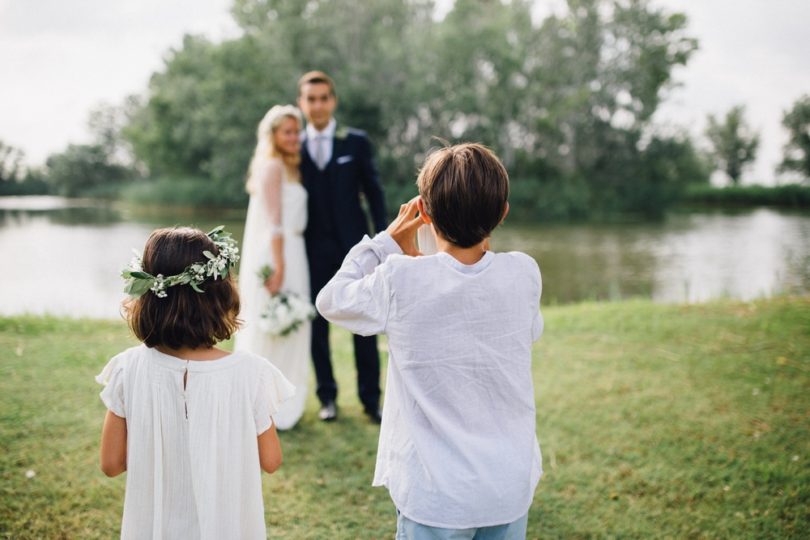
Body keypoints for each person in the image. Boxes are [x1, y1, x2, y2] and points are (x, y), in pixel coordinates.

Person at [317, 144, 544, 538]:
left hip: (436, 496)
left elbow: (331, 300)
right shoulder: (524, 272)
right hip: (508, 485)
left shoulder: (401, 278)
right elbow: (518, 326)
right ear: (503, 212)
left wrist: (387, 241)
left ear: (425, 212)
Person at [97, 226, 295, 539]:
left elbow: (111, 463)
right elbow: (271, 461)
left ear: (148, 294)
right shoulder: (249, 373)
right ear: (220, 295)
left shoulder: (128, 368)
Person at [297, 70, 387, 423]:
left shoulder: (356, 143)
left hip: (356, 247)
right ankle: (327, 397)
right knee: (317, 326)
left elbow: (375, 194)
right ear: (302, 104)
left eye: (323, 98)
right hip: (311, 249)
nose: (317, 105)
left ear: (332, 101)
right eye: (310, 99)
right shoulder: (294, 146)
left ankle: (370, 400)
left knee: (363, 321)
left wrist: (382, 243)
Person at [235, 104, 311, 430]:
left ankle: (284, 398)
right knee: (271, 324)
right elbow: (274, 224)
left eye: (297, 131)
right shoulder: (272, 167)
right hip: (280, 253)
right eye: (288, 132)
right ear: (274, 135)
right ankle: (261, 403)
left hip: (296, 249)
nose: (295, 137)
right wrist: (279, 266)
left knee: (292, 325)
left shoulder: (292, 167)